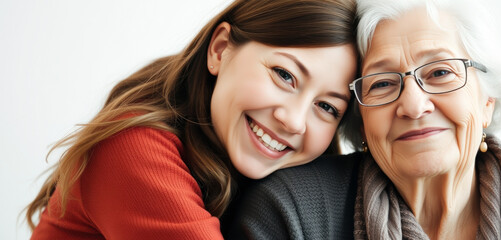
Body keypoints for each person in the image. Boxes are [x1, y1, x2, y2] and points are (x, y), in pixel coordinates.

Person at [221, 0, 501, 239]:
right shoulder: (292, 213)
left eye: (439, 72)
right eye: (383, 83)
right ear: (360, 121)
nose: (413, 105)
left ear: (487, 100)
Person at [24, 0, 359, 239]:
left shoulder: (292, 186)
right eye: (284, 75)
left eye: (327, 107)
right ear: (220, 49)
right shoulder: (131, 147)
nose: (294, 121)